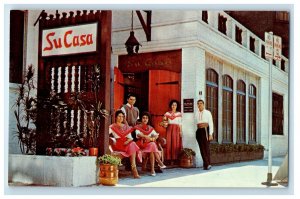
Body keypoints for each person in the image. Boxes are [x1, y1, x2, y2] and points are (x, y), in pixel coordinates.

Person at [109, 110, 141, 178]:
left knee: (132, 144)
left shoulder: (126, 126)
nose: (121, 118)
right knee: (132, 145)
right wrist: (112, 140)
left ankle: (134, 167)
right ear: (116, 117)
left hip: (126, 144)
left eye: (122, 117)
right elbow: (106, 134)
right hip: (118, 145)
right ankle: (134, 170)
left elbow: (130, 138)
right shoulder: (112, 126)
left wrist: (127, 141)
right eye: (119, 116)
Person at [135, 112, 167, 176]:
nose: (145, 119)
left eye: (146, 118)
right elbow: (138, 134)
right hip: (141, 146)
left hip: (149, 146)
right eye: (143, 118)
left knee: (152, 148)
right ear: (141, 119)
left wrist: (153, 138)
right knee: (152, 145)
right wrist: (147, 137)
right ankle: (159, 162)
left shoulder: (150, 127)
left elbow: (156, 135)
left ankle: (153, 170)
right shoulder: (137, 127)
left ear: (148, 119)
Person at [194, 99, 214, 170]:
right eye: (198, 104)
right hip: (199, 131)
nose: (199, 105)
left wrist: (210, 134)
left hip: (205, 130)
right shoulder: (196, 113)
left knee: (206, 148)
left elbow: (211, 123)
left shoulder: (207, 112)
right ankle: (206, 164)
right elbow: (195, 123)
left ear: (203, 104)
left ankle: (208, 164)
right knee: (201, 148)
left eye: (201, 103)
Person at [163, 99, 182, 165]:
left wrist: (181, 131)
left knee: (175, 143)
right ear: (171, 106)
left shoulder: (179, 114)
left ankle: (175, 159)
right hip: (169, 128)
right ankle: (168, 159)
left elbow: (180, 123)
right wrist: (164, 121)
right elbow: (164, 121)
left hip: (176, 129)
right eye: (173, 105)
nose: (174, 106)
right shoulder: (167, 113)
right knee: (169, 143)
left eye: (175, 105)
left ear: (177, 106)